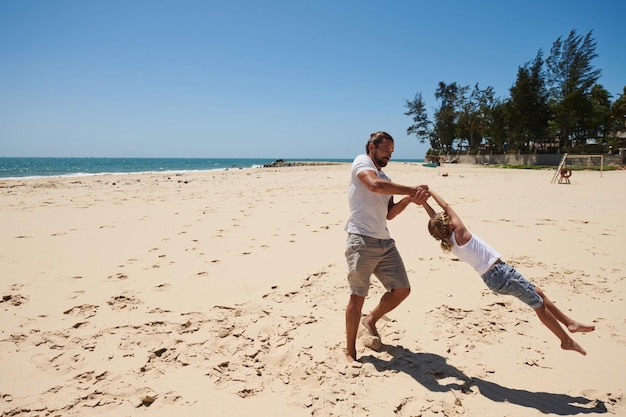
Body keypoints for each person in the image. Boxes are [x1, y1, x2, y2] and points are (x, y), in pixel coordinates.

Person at [419, 189, 595, 355]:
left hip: (492, 279)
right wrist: (431, 192)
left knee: (537, 292)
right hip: (501, 274)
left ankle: (570, 323)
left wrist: (424, 203)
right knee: (538, 304)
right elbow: (447, 207)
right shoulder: (461, 233)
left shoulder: (449, 241)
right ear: (450, 225)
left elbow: (436, 220)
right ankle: (565, 340)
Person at [344, 131, 429, 362]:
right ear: (372, 147)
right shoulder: (361, 162)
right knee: (357, 296)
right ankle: (350, 351)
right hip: (361, 240)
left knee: (402, 290)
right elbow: (373, 185)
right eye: (385, 150)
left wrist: (408, 200)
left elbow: (389, 213)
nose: (389, 155)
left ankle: (370, 320)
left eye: (392, 152)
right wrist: (411, 189)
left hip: (384, 241)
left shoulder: (387, 178)